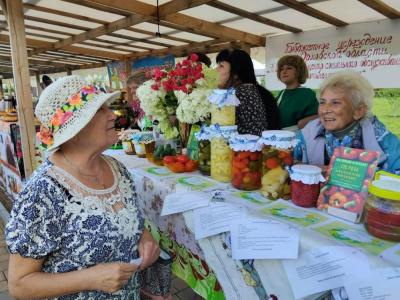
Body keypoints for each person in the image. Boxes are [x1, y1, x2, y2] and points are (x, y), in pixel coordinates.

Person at [6, 75, 161, 299]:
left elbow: (130, 219)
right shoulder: (43, 192)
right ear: (74, 130)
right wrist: (91, 278)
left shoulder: (117, 169)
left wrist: (144, 238)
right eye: (99, 110)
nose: (112, 115)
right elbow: (19, 285)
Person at [294, 71, 400, 174]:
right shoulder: (308, 133)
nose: (325, 110)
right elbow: (284, 162)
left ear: (358, 111)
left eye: (335, 103)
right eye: (322, 102)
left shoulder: (380, 137)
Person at [216, 49, 280, 135]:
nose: (216, 69)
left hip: (244, 147)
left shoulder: (238, 93)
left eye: (221, 66)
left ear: (236, 73)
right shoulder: (252, 90)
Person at [276, 55, 319, 130]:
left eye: (289, 68)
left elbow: (317, 117)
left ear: (299, 71)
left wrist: (303, 122)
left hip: (298, 137)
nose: (284, 71)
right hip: (279, 136)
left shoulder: (307, 94)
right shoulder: (281, 93)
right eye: (281, 69)